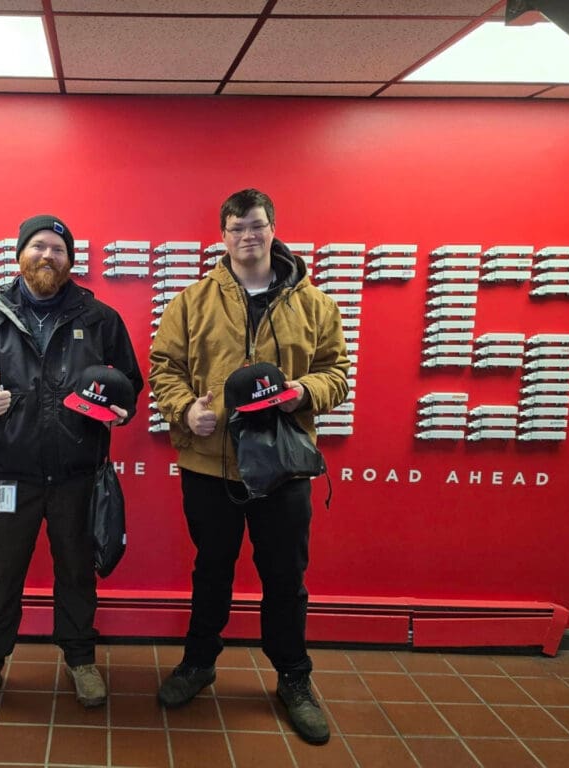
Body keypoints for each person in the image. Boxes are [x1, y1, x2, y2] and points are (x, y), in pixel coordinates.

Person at [148, 188, 349, 745]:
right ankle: (198, 663)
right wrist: (186, 409)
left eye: (256, 226)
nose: (247, 237)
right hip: (210, 467)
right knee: (211, 570)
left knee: (285, 578)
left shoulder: (315, 304)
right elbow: (164, 367)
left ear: (274, 228)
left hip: (283, 466)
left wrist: (302, 392)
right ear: (223, 236)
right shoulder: (190, 301)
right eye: (236, 229)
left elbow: (337, 373)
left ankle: (293, 677)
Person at [0, 214, 143, 726]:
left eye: (57, 248)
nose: (47, 255)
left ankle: (80, 660)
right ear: (19, 255)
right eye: (38, 246)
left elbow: (129, 386)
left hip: (79, 476)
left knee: (77, 573)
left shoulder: (100, 319)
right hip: (10, 476)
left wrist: (123, 409)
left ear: (71, 260)